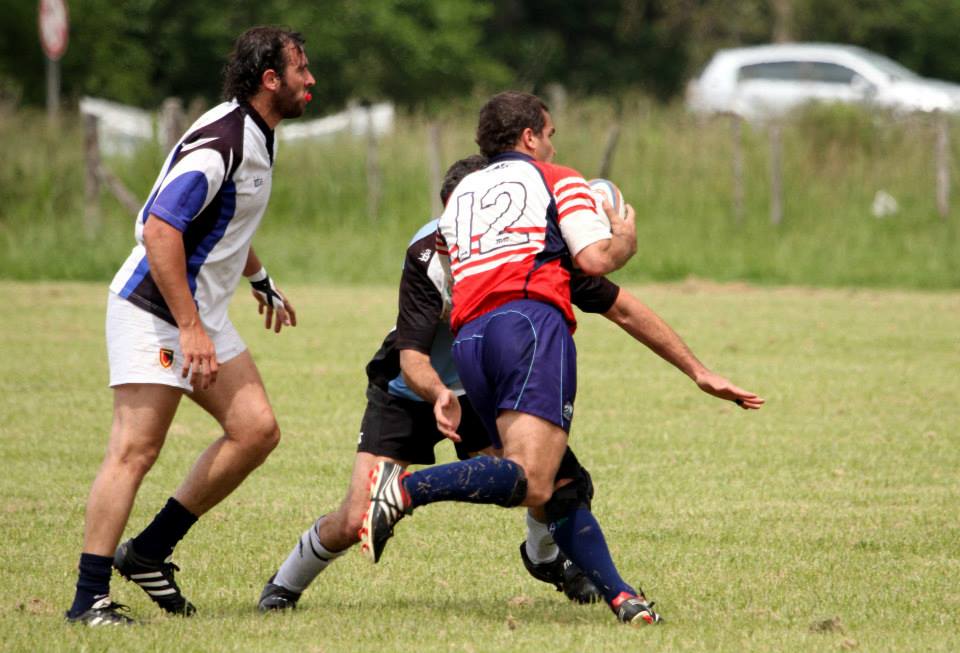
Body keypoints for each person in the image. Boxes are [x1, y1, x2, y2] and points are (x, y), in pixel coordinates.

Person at [360, 92, 764, 626]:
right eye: (549, 134)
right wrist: (624, 241)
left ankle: (623, 597)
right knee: (532, 482)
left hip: (471, 343)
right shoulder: (556, 178)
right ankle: (407, 489)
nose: (553, 145)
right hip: (530, 326)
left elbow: (493, 272)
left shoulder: (459, 200)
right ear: (530, 136)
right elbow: (595, 260)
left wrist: (696, 369)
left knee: (563, 482)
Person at [257, 155, 606, 612]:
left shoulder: (526, 243)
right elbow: (412, 359)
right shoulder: (426, 253)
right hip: (408, 391)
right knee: (356, 517)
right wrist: (439, 393)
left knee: (553, 480)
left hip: (477, 390)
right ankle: (282, 587)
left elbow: (606, 297)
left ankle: (548, 560)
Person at [65, 26, 315, 626]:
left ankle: (148, 552)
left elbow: (227, 221)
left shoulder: (258, 133)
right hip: (154, 310)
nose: (311, 80)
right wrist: (190, 327)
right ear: (270, 80)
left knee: (255, 430)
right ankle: (87, 600)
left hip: (197, 312)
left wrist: (259, 281)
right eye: (301, 69)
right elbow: (159, 231)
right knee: (135, 450)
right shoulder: (222, 143)